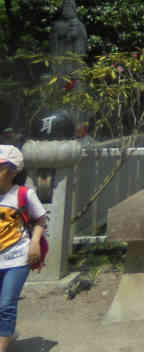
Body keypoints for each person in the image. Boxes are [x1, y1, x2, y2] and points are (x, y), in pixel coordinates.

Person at [0, 145, 46, 350]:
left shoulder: (24, 194)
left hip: (17, 258)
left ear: (12, 171)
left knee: (6, 305)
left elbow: (40, 219)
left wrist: (35, 242)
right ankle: (7, 333)